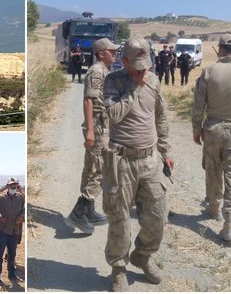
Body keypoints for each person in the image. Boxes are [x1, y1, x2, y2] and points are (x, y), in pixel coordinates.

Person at [102, 36, 174, 291]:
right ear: (124, 61)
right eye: (137, 65)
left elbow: (161, 117)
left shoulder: (153, 80)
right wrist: (134, 87)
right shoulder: (114, 80)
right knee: (120, 219)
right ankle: (119, 269)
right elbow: (113, 115)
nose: (143, 70)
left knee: (157, 216)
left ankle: (142, 256)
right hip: (121, 161)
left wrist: (164, 151)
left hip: (150, 159)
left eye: (146, 64)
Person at [192, 34, 231, 241]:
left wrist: (196, 129)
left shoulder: (208, 71)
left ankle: (214, 208)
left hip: (213, 128)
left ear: (219, 49)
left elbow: (199, 104)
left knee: (213, 169)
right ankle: (230, 225)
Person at [65, 38, 119, 234]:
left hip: (100, 124)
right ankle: (78, 214)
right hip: (96, 125)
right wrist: (90, 129)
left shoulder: (103, 70)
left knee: (92, 168)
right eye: (111, 51)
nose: (114, 54)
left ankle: (89, 210)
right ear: (101, 53)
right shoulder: (96, 71)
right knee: (99, 168)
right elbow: (89, 100)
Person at [0, 178, 25, 285]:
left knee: (12, 255)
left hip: (14, 231)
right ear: (7, 186)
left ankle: (12, 274)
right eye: (12, 186)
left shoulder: (20, 197)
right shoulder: (1, 198)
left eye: (16, 186)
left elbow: (23, 209)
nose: (14, 188)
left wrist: (22, 216)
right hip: (3, 231)